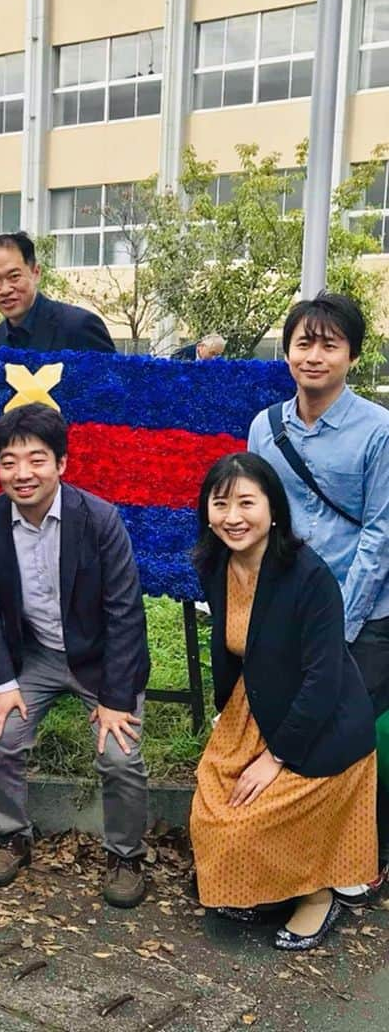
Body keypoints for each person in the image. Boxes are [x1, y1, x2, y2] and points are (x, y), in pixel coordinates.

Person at [188, 452, 377, 950]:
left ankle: (318, 897)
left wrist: (276, 757)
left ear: (274, 510)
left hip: (318, 725)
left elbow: (323, 679)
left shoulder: (309, 577)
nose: (233, 517)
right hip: (253, 709)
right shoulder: (216, 563)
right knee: (212, 807)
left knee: (250, 821)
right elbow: (229, 648)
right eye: (221, 503)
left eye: (247, 502)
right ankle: (265, 892)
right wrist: (222, 712)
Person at [0, 403, 150, 906]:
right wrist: (1, 684)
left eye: (36, 459)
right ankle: (11, 835)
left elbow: (125, 613)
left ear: (62, 464)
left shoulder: (97, 518)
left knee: (119, 754)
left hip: (100, 659)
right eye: (9, 461)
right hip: (37, 657)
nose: (22, 474)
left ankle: (126, 855)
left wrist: (115, 697)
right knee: (0, 736)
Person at [248, 293, 389, 899]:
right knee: (289, 725)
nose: (314, 355)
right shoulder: (264, 427)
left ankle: (363, 855)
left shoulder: (378, 430)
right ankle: (299, 863)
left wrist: (342, 625)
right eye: (304, 342)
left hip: (364, 614)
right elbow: (252, 523)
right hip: (287, 613)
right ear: (287, 352)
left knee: (347, 732)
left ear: (352, 355)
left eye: (329, 343)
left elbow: (381, 532)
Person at [0, 232, 114, 389]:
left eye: (14, 276)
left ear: (36, 273)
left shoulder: (79, 327)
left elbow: (112, 397)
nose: (5, 289)